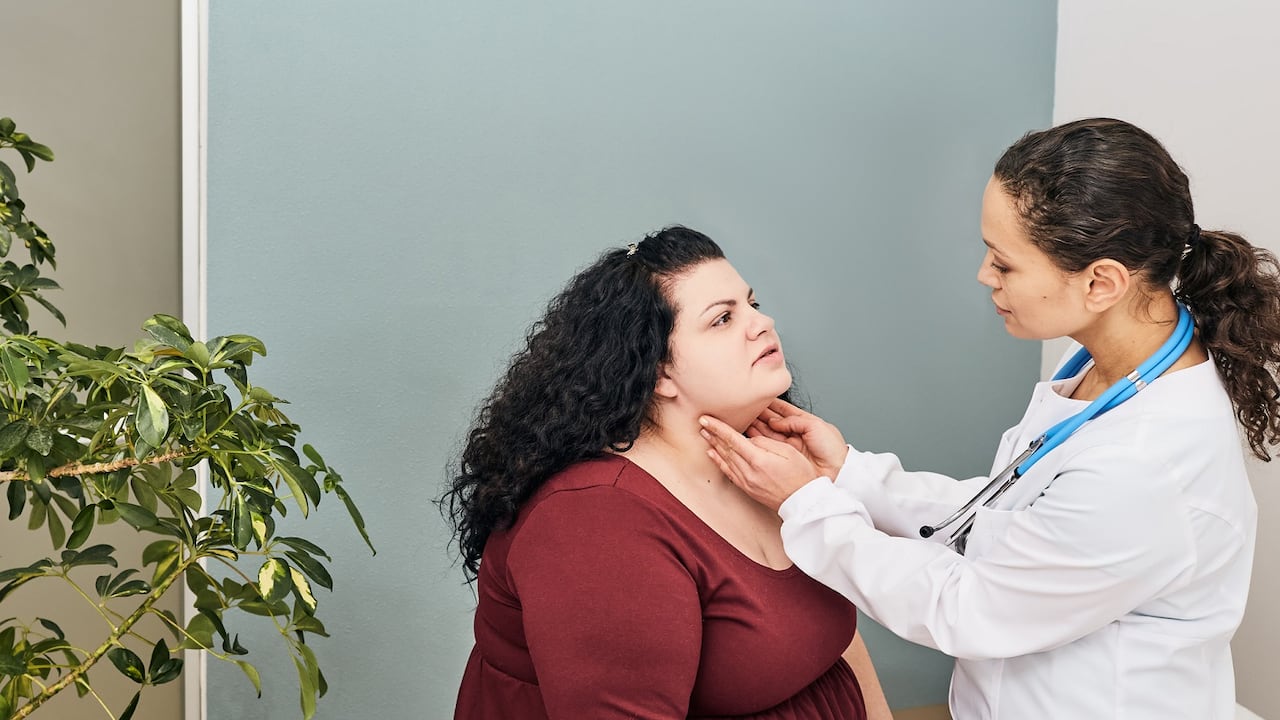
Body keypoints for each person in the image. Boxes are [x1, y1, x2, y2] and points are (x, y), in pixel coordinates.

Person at [700, 118, 1279, 719]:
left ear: (1101, 282)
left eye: (1004, 265)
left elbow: (967, 607)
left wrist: (810, 506)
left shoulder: (1146, 464)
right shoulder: (1108, 367)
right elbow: (1014, 517)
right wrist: (850, 475)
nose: (985, 276)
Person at [441, 226, 893, 720]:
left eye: (752, 304)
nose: (764, 324)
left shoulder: (770, 461)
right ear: (658, 372)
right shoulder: (594, 525)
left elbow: (837, 646)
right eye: (722, 319)